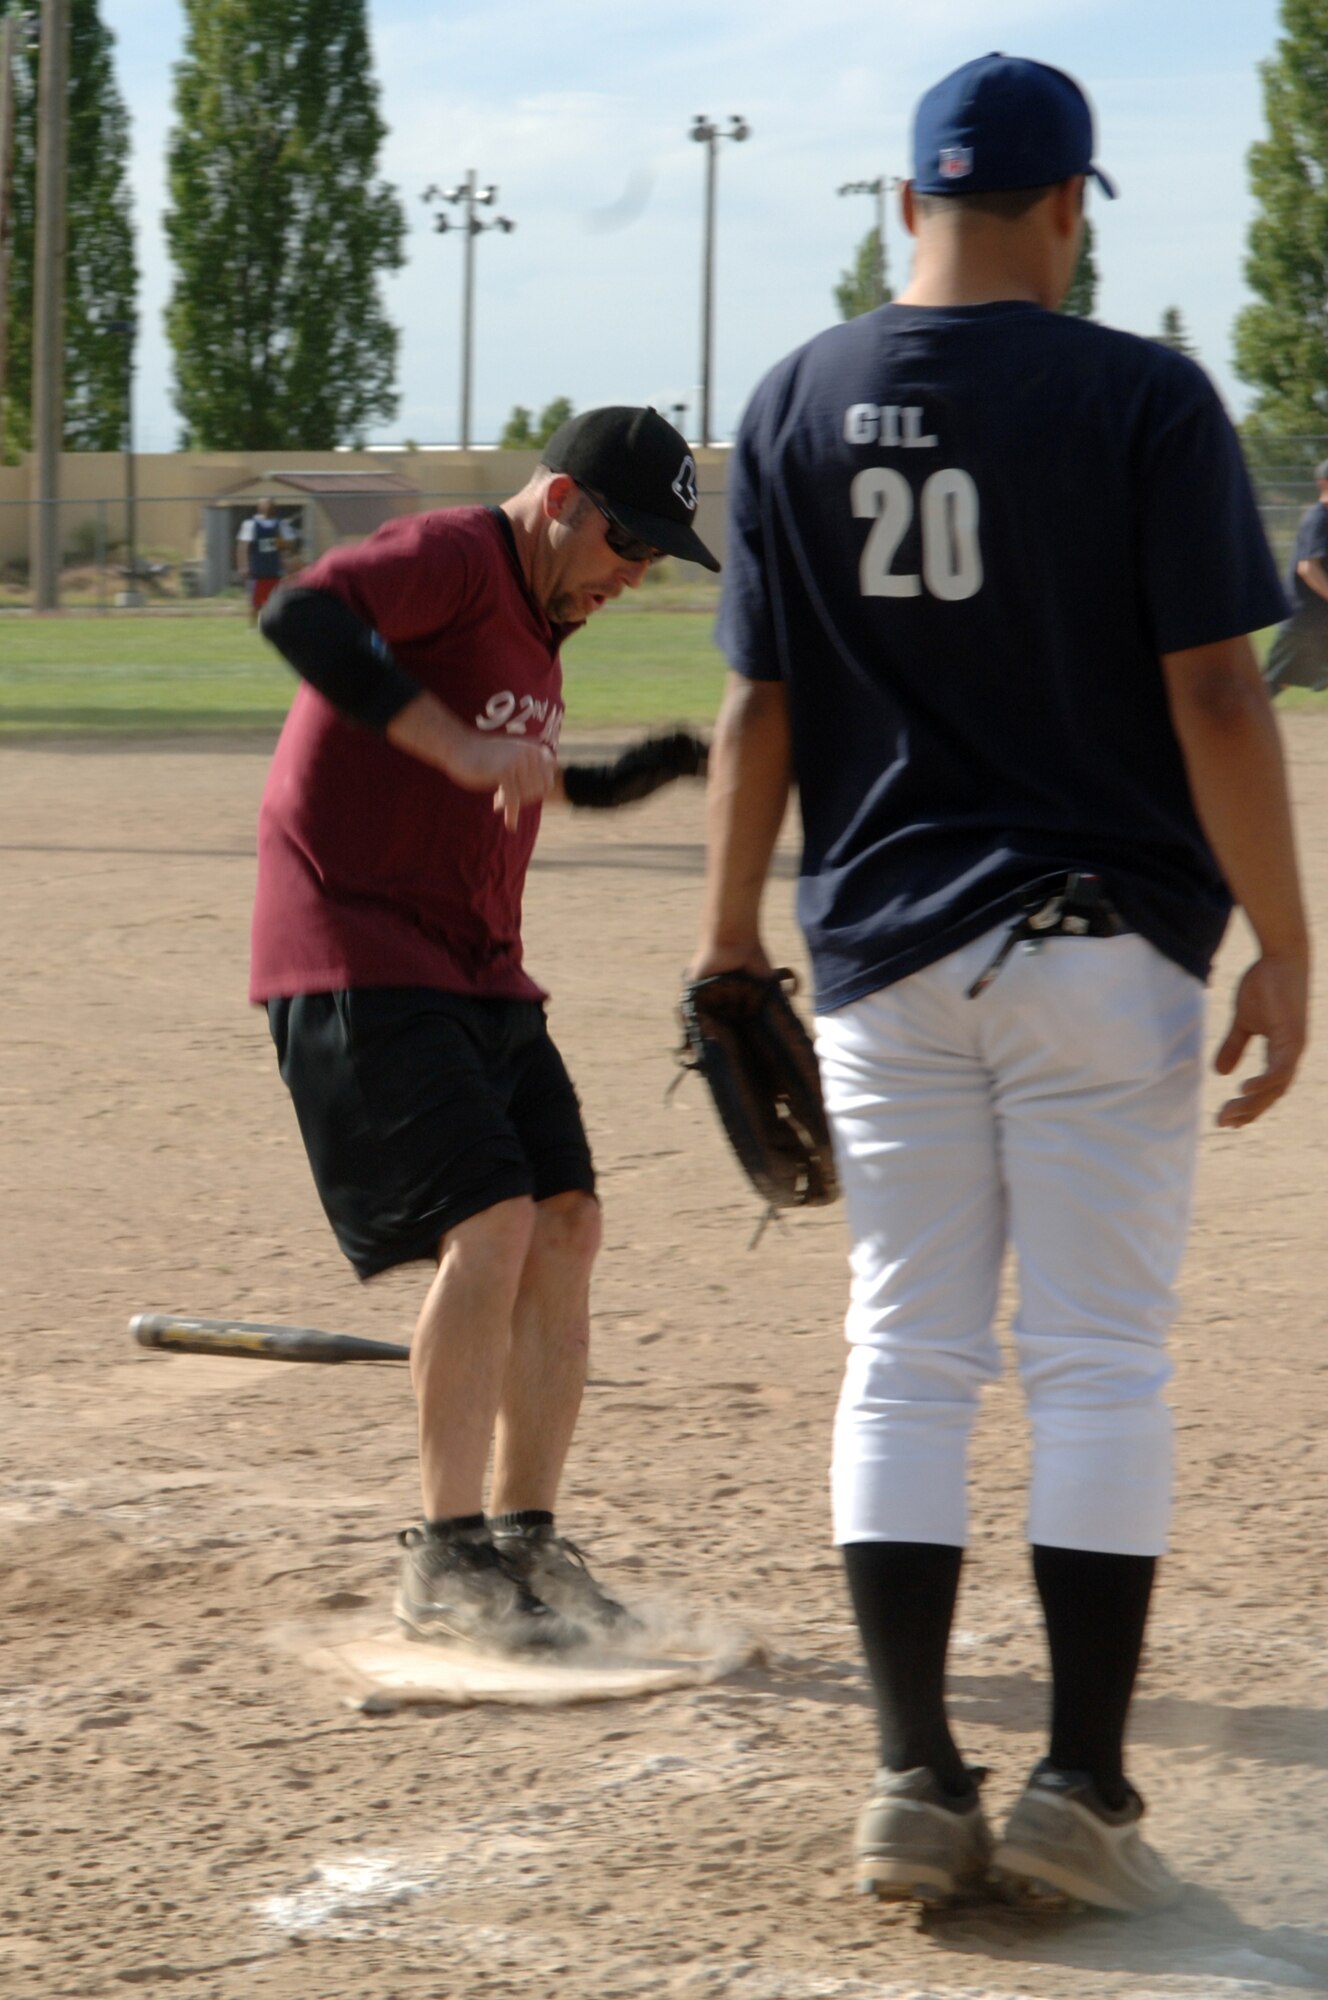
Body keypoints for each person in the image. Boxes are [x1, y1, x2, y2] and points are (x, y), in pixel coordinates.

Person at [690, 53, 1309, 1914]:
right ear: (1068, 211)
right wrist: (1287, 938)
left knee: (907, 1351)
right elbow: (1215, 695)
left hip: (880, 950)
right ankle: (1076, 1783)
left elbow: (755, 710)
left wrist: (725, 937)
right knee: (1098, 1359)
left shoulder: (793, 396)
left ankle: (903, 1774)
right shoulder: (1140, 395)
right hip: (1095, 944)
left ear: (902, 206)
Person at [250, 407, 719, 1652]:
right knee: (493, 1219)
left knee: (567, 1222)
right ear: (559, 497)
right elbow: (301, 616)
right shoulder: (459, 555)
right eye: (628, 539)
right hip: (358, 948)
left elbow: (510, 777)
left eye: (658, 552)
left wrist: (648, 768)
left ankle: (521, 1540)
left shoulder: (542, 625)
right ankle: (443, 1555)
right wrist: (445, 735)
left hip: (478, 972)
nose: (638, 570)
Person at [1263, 460, 1328, 695]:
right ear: (1324, 484)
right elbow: (1308, 568)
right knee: (1274, 682)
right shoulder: (1319, 519)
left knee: (1279, 680)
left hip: (1318, 622)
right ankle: (1226, 726)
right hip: (1305, 621)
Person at [237, 498, 298, 623]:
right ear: (259, 507)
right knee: (255, 602)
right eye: (264, 505)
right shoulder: (251, 524)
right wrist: (243, 566)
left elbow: (289, 545)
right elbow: (243, 547)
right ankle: (253, 626)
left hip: (275, 568)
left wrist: (287, 558)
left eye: (270, 505)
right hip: (257, 569)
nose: (267, 507)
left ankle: (274, 622)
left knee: (277, 599)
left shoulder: (280, 524)